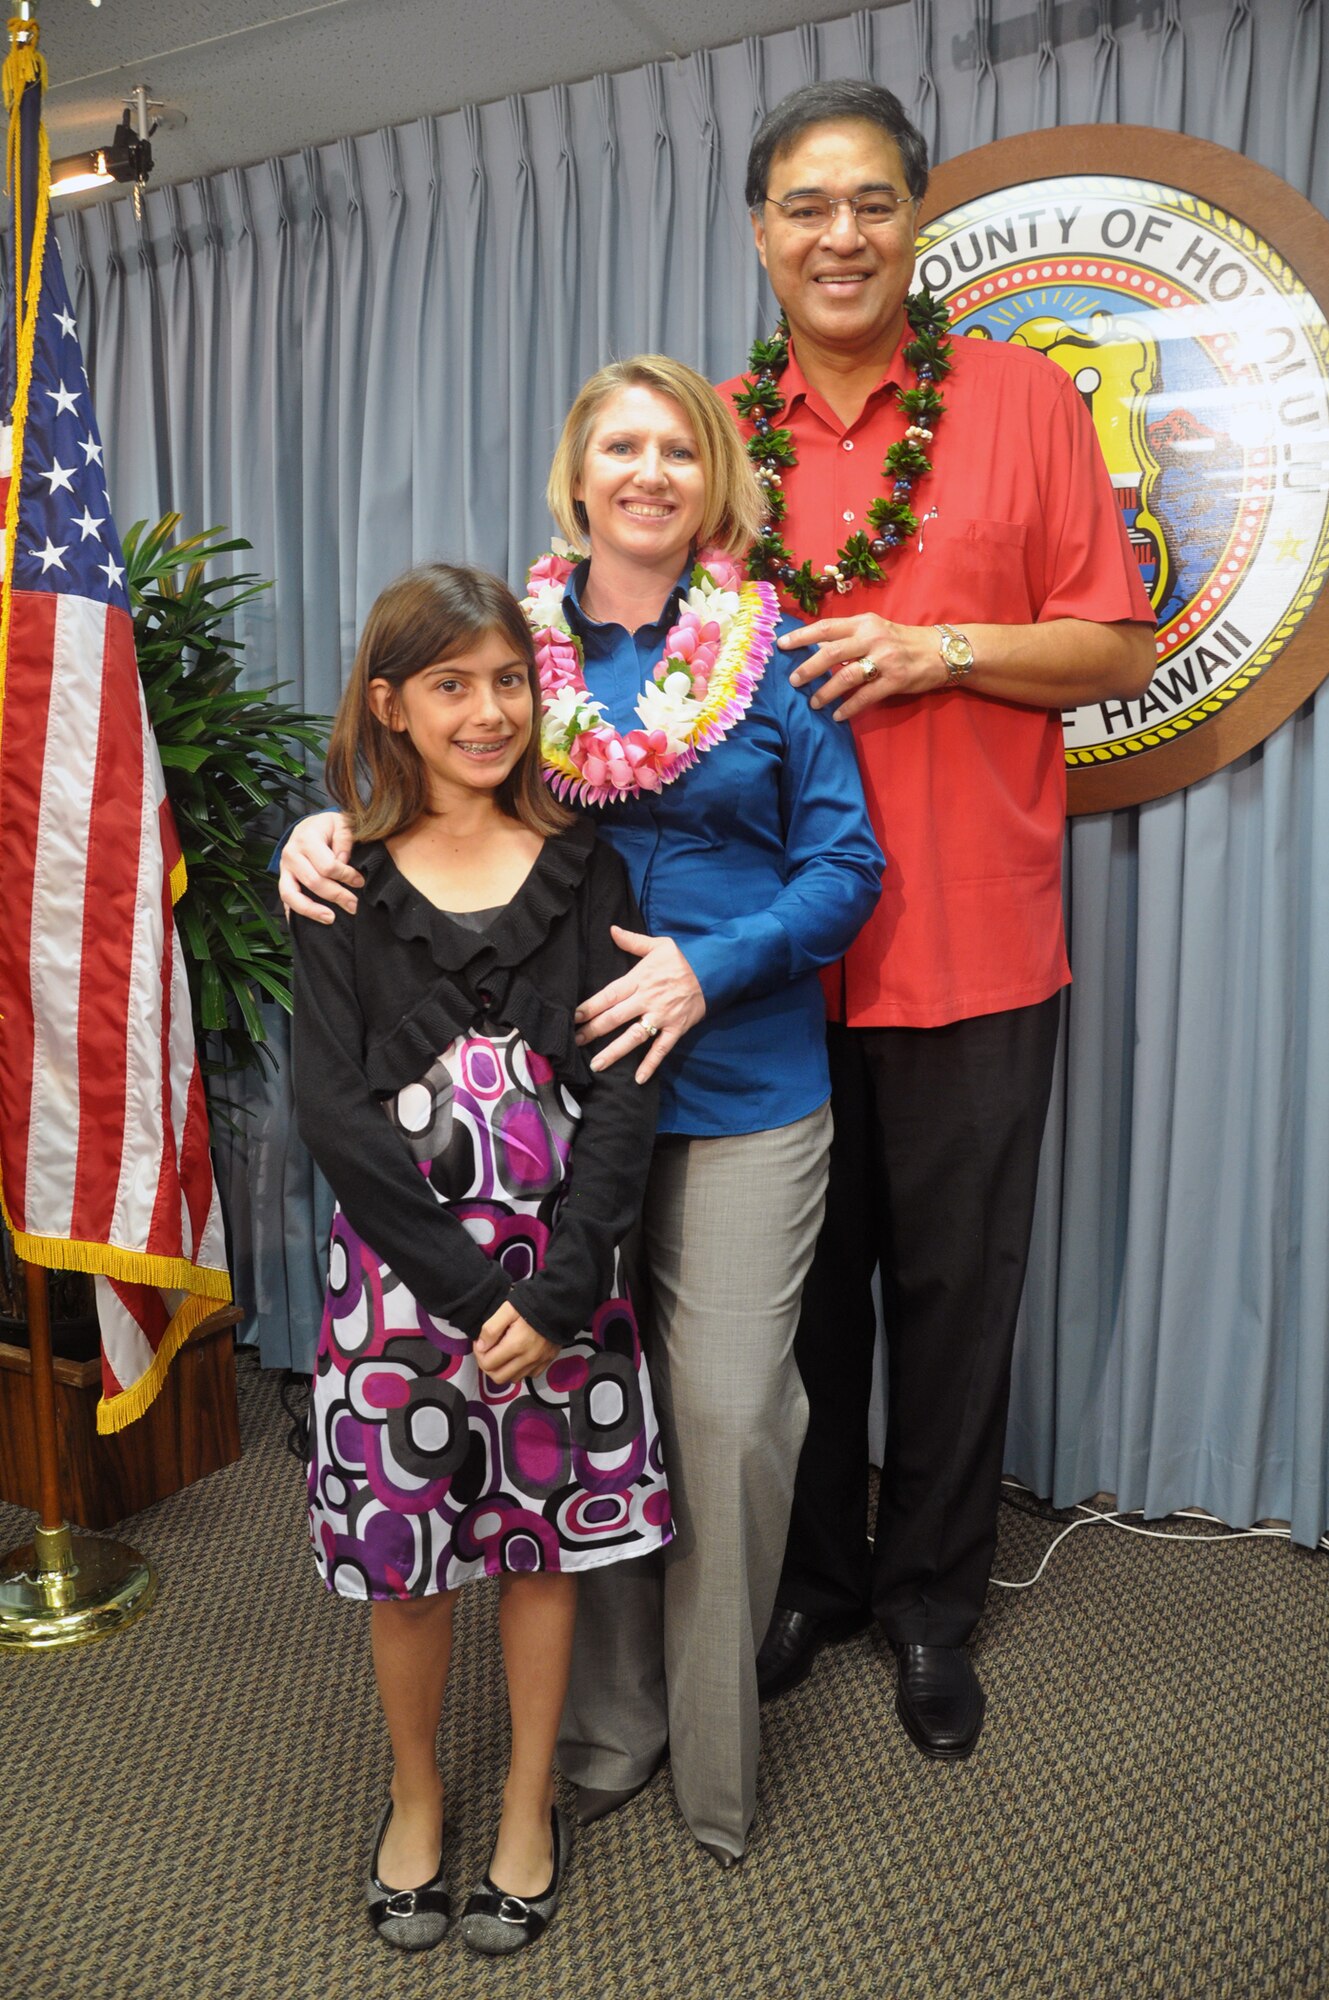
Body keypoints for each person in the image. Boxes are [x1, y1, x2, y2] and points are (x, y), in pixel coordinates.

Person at [280, 355, 885, 1866]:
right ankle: (604, 1734)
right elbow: (436, 770)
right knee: (583, 1411)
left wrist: (708, 965)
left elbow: (848, 869)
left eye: (679, 448)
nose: (649, 472)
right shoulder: (525, 647)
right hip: (558, 1122)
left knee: (729, 1424)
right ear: (579, 472)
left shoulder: (772, 651)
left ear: (715, 478)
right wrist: (320, 819)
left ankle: (717, 1756)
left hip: (741, 1087)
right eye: (620, 444)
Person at [720, 80, 1156, 1755]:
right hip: (769, 958)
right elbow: (617, 675)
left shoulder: (1021, 400)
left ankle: (929, 1606)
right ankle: (812, 1578)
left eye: (872, 203)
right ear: (760, 233)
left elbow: (1110, 649)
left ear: (916, 219)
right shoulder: (718, 430)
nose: (840, 235)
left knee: (959, 1299)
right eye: (804, 206)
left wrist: (939, 646)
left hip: (975, 938)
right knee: (795, 1300)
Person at [291, 562, 672, 1957]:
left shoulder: (590, 866)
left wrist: (562, 1287)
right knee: (407, 1561)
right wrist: (470, 1297)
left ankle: (524, 1800)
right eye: (451, 685)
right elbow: (331, 1109)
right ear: (390, 706)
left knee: (537, 1548)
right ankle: (414, 1792)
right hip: (402, 1297)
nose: (488, 709)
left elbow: (626, 1090)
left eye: (509, 679)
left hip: (559, 1284)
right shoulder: (341, 880)